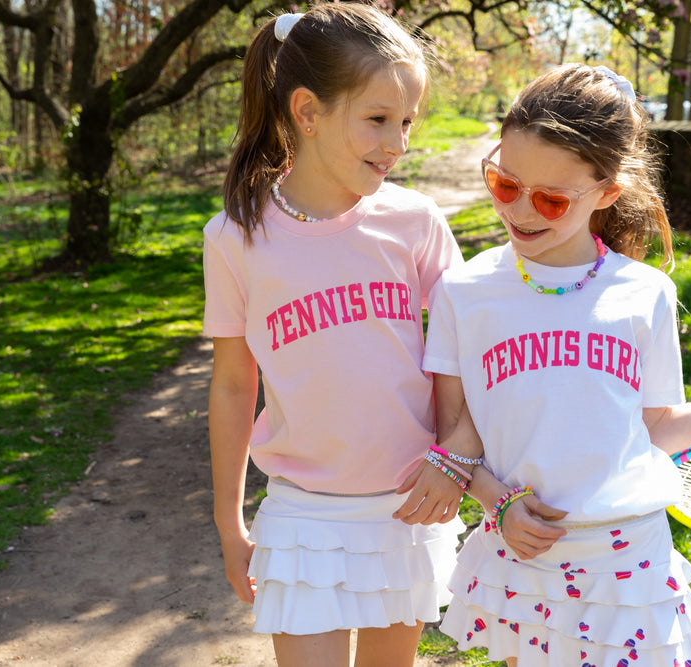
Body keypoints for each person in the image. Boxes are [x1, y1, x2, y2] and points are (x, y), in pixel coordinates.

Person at [420, 63, 691, 666]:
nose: (520, 211)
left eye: (551, 198)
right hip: (524, 556)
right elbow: (457, 436)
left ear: (608, 193)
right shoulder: (463, 291)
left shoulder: (645, 293)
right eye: (505, 184)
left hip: (629, 557)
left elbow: (659, 429)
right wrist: (497, 501)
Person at [203, 5, 472, 666]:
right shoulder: (235, 237)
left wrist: (459, 453)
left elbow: (468, 351)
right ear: (307, 111)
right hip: (305, 516)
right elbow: (235, 384)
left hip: (409, 507)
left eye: (406, 122)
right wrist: (228, 520)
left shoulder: (416, 221)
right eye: (378, 120)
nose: (398, 143)